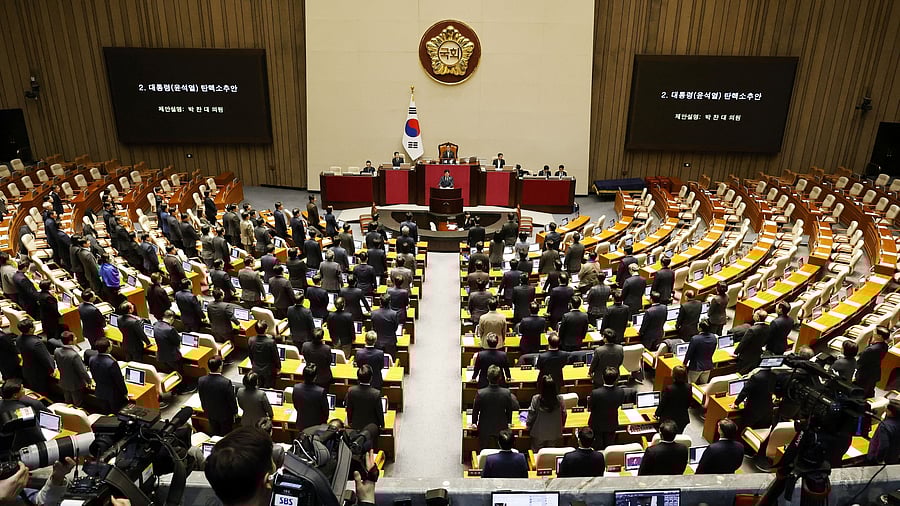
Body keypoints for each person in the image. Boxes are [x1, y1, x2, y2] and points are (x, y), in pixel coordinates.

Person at [471, 365, 520, 450]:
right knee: (501, 449)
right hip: (501, 425)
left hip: (484, 426)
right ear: (500, 377)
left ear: (487, 377)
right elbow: (509, 410)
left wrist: (474, 422)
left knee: (483, 450)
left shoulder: (481, 393)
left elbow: (475, 410)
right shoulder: (506, 393)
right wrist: (509, 422)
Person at [588, 367, 634, 449]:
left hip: (596, 424)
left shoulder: (595, 393)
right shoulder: (621, 391)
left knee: (597, 447)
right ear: (616, 379)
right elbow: (619, 404)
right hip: (612, 423)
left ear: (602, 377)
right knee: (609, 446)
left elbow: (590, 407)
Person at [0, 379, 47, 453]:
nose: (24, 390)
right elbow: (38, 436)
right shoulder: (23, 413)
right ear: (15, 395)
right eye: (22, 389)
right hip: (24, 448)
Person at [198, 356, 238, 436]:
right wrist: (235, 411)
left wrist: (205, 408)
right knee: (226, 434)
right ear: (220, 366)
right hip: (225, 415)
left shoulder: (201, 380)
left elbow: (201, 396)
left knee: (215, 432)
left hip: (210, 412)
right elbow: (231, 399)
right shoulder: (226, 382)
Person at [88, 338, 129, 415]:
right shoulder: (112, 363)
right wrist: (125, 392)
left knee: (105, 412)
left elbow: (94, 374)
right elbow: (119, 380)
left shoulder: (92, 359)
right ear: (108, 349)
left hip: (100, 391)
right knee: (116, 413)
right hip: (113, 394)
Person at [525, 375, 566, 450]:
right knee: (550, 453)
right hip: (554, 431)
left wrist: (528, 425)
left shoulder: (536, 399)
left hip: (539, 432)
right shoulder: (560, 399)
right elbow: (564, 414)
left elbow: (532, 414)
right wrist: (562, 426)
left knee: (537, 453)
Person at [16, 319, 55, 395]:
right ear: (31, 329)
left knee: (35, 390)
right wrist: (52, 369)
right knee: (42, 392)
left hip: (27, 370)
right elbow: (45, 358)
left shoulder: (18, 339)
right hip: (39, 373)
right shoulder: (36, 343)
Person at [53, 331, 90, 407]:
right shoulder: (74, 355)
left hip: (63, 381)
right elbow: (82, 371)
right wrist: (89, 381)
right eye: (75, 337)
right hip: (75, 383)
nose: (76, 338)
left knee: (67, 402)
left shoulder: (56, 351)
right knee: (77, 404)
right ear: (70, 341)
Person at [345, 365, 384, 431]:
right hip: (371, 428)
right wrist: (382, 425)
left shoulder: (351, 391)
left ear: (358, 378)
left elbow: (349, 409)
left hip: (355, 426)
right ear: (371, 378)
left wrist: (350, 423)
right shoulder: (376, 393)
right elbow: (379, 412)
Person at [855, 326, 889, 398]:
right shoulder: (885, 346)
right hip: (875, 371)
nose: (873, 333)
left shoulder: (871, 349)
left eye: (874, 333)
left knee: (861, 392)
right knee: (870, 389)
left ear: (879, 336)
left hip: (865, 374)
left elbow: (861, 362)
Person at [656, 365, 690, 433]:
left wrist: (657, 413)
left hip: (669, 419)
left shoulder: (669, 389)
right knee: (678, 436)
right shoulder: (689, 387)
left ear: (674, 375)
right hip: (682, 418)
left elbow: (663, 404)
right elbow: (688, 403)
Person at [866, 399, 900, 465]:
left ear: (890, 412)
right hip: (894, 457)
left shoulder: (884, 426)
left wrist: (879, 460)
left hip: (877, 458)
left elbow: (884, 446)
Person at [736, 309, 770, 374]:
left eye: (754, 314)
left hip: (746, 355)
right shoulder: (768, 327)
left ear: (757, 317)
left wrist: (736, 352)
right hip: (757, 354)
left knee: (742, 372)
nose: (753, 314)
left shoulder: (752, 330)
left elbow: (743, 342)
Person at [684, 319, 717, 384]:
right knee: (703, 385)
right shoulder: (714, 337)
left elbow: (689, 353)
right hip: (708, 365)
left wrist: (684, 363)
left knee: (691, 384)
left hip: (696, 366)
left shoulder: (695, 339)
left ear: (700, 328)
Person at [248, 322, 281, 388]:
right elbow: (276, 357)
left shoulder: (250, 340)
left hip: (256, 369)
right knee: (269, 389)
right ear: (266, 329)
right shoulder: (271, 342)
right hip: (268, 370)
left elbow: (250, 355)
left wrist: (253, 364)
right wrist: (279, 367)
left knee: (258, 388)